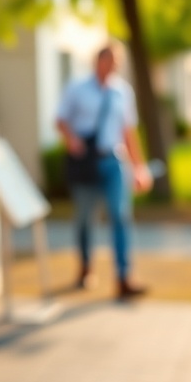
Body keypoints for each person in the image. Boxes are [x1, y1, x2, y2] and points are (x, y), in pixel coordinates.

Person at [56, 44, 152, 300]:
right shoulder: (77, 89)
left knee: (120, 216)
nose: (114, 65)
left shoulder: (122, 92)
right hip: (87, 161)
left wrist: (139, 167)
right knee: (85, 219)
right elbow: (60, 119)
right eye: (110, 60)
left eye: (118, 61)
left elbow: (128, 132)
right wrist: (71, 140)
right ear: (98, 61)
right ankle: (86, 267)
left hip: (114, 161)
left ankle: (123, 277)